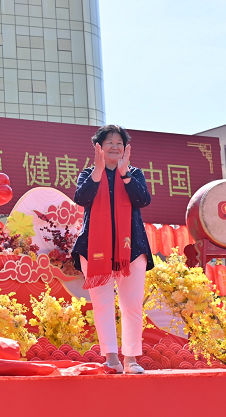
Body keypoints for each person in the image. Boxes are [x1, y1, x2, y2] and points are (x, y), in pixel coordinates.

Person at [71, 125, 153, 375]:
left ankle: (131, 360)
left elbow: (142, 200)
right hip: (94, 249)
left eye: (120, 143)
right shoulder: (88, 173)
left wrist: (124, 173)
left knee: (132, 306)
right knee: (102, 305)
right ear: (99, 147)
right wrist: (98, 171)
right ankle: (111, 359)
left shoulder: (134, 173)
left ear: (125, 149)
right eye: (109, 142)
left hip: (132, 249)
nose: (115, 147)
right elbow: (82, 198)